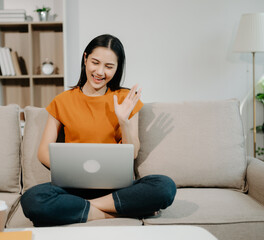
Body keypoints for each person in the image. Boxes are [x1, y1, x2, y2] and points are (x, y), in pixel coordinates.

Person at [21, 34, 176, 227]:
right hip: (72, 187)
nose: (100, 72)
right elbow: (43, 152)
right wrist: (72, 170)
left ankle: (84, 208)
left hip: (116, 189)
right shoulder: (62, 101)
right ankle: (114, 214)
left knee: (164, 187)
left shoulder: (126, 99)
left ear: (117, 68)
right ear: (85, 59)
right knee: (32, 199)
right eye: (95, 62)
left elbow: (132, 153)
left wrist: (123, 121)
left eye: (109, 67)